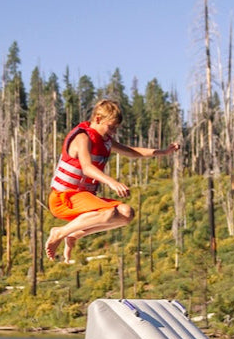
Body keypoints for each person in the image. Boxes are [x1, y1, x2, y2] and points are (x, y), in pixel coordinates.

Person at [46, 99, 180, 263]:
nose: (114, 132)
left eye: (116, 128)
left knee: (126, 214)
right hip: (63, 198)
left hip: (81, 198)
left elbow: (132, 152)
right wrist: (112, 182)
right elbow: (87, 168)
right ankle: (59, 233)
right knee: (108, 212)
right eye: (111, 127)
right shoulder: (82, 138)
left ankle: (75, 234)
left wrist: (163, 152)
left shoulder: (105, 140)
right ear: (97, 119)